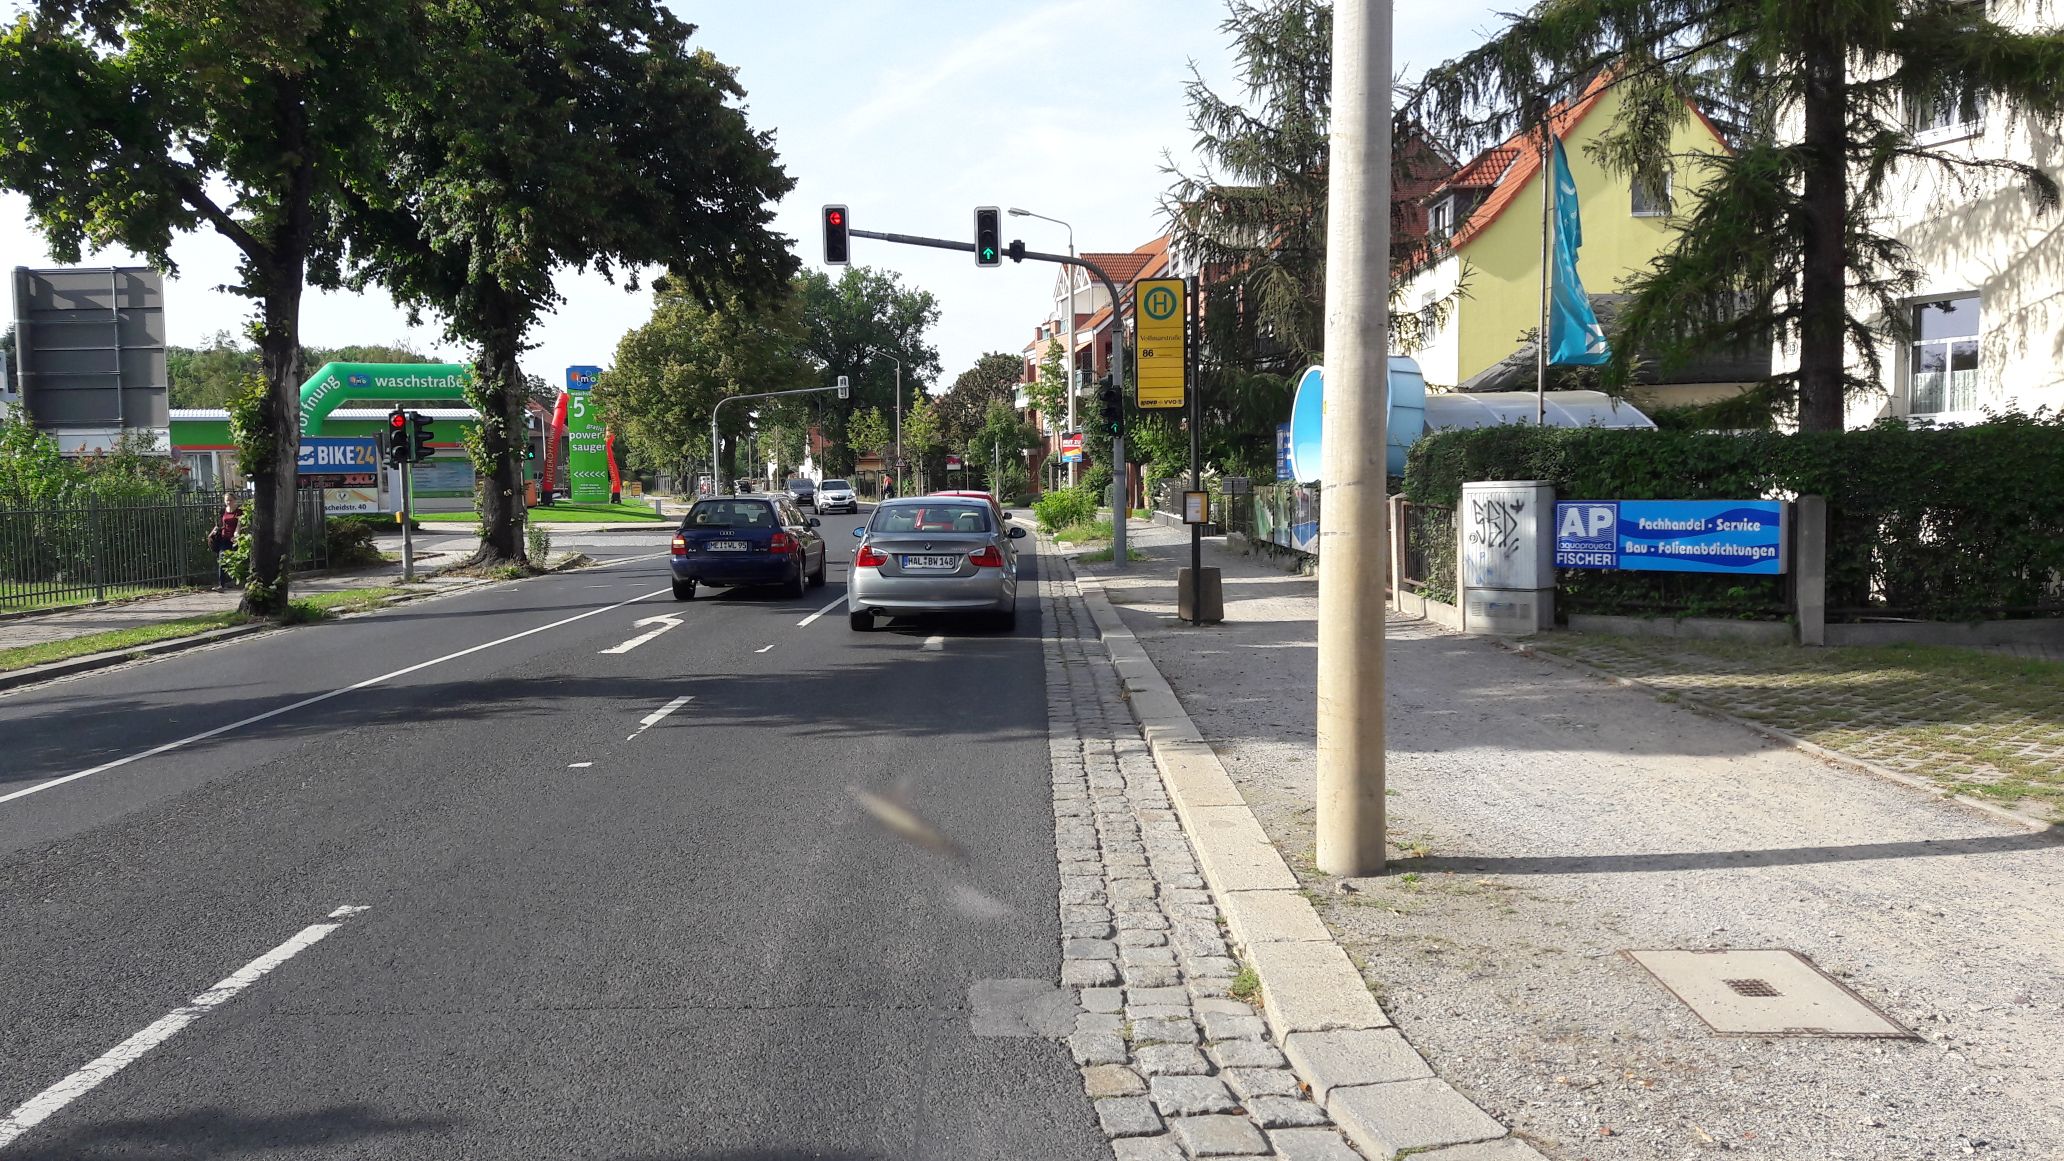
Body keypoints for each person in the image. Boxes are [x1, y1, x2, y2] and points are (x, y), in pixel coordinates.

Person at [207, 493, 241, 591]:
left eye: (230, 500)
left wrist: (236, 535)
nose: (228, 502)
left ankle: (233, 581)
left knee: (233, 561)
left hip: (233, 539)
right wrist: (211, 534)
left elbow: (239, 525)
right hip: (223, 539)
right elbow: (218, 524)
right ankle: (221, 585)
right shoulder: (223, 511)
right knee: (222, 559)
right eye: (227, 500)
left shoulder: (238, 512)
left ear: (234, 501)